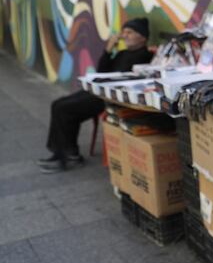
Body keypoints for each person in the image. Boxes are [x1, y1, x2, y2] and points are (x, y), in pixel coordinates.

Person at [39, 18, 152, 173]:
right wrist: (108, 50)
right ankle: (62, 153)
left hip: (110, 98)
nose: (124, 35)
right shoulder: (123, 53)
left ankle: (68, 155)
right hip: (99, 90)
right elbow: (102, 71)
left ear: (143, 37)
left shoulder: (144, 56)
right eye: (123, 32)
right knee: (58, 104)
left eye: (130, 32)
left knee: (65, 109)